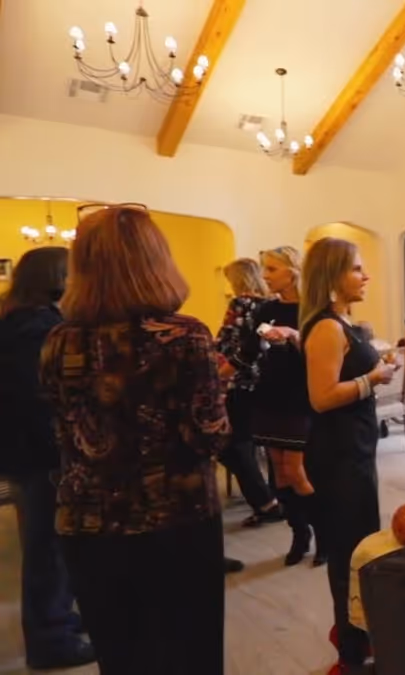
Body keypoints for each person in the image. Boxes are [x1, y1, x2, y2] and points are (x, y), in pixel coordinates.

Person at [40, 205, 229, 674]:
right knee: (190, 655)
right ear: (156, 259)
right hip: (175, 521)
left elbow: (63, 431)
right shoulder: (184, 337)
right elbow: (208, 438)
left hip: (87, 523)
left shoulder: (57, 341)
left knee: (122, 659)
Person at [301, 237, 395, 674]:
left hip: (354, 450)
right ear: (334, 275)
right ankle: (352, 654)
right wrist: (373, 377)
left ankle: (357, 633)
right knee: (347, 553)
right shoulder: (326, 328)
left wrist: (375, 369)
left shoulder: (343, 323)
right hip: (338, 456)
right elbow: (321, 397)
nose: (366, 276)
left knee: (361, 548)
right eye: (357, 268)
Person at [0, 247, 96, 671]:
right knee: (49, 548)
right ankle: (50, 639)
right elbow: (42, 400)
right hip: (43, 454)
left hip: (29, 452)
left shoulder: (21, 320)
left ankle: (58, 621)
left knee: (50, 545)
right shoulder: (37, 327)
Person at [254, 246, 323, 566]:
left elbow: (323, 357)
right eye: (263, 269)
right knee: (279, 474)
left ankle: (324, 533)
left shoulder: (314, 310)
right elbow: (250, 350)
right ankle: (299, 534)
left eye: (271, 269)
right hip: (270, 395)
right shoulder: (263, 310)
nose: (265, 276)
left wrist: (294, 336)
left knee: (296, 470)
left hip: (300, 397)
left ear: (293, 271)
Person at [215, 258, 282, 530]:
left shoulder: (240, 304)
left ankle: (266, 503)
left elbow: (226, 342)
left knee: (231, 444)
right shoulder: (270, 306)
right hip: (266, 382)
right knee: (266, 442)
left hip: (241, 382)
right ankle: (274, 496)